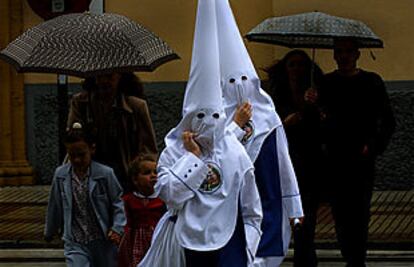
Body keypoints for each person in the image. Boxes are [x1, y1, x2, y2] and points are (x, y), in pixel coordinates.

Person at [140, 1, 262, 266]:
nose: (208, 124)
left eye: (215, 117)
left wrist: (249, 246)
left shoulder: (234, 152)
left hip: (231, 241)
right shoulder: (174, 151)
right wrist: (193, 159)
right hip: (184, 243)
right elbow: (169, 195)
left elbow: (251, 208)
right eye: (200, 117)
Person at [214, 1, 304, 267]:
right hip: (232, 203)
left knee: (266, 253)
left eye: (244, 80)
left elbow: (284, 163)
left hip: (268, 198)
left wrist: (295, 208)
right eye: (231, 82)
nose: (239, 88)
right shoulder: (217, 118)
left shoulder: (268, 117)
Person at [318, 38, 396, 267]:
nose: (344, 56)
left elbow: (388, 121)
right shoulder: (326, 84)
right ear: (334, 55)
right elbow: (318, 122)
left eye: (348, 52)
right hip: (335, 157)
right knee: (340, 211)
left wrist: (372, 146)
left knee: (360, 210)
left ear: (357, 54)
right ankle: (349, 256)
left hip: (362, 158)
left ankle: (356, 259)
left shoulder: (371, 82)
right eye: (339, 52)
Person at [266, 49, 325, 267]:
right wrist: (285, 122)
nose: (296, 69)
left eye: (301, 65)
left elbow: (323, 125)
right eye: (292, 65)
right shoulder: (275, 94)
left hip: (310, 160)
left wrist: (314, 106)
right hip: (284, 159)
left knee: (306, 211)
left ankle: (305, 256)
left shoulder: (315, 90)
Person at [44, 122, 126, 267]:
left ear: (92, 149)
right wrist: (50, 231)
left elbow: (118, 203)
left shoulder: (105, 174)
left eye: (81, 155)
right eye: (72, 155)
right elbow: (55, 205)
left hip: (102, 239)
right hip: (75, 240)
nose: (77, 160)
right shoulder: (61, 175)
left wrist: (117, 228)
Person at [67, 72, 158, 191]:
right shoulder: (81, 103)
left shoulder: (136, 106)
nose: (104, 81)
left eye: (110, 76)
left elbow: (148, 147)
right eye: (100, 76)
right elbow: (73, 138)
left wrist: (140, 173)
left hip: (124, 174)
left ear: (120, 77)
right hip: (91, 172)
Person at [118, 153, 165, 267]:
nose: (153, 176)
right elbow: (125, 220)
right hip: (135, 239)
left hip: (157, 238)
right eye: (147, 173)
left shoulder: (163, 199)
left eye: (156, 172)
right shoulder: (128, 200)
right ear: (135, 179)